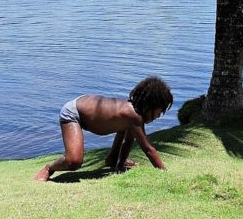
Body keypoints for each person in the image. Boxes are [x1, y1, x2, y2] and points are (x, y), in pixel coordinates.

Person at [35, 76, 173, 181]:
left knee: (124, 129)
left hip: (88, 109)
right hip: (74, 112)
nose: (159, 116)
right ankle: (49, 168)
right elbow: (148, 149)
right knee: (74, 161)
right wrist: (164, 173)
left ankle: (112, 160)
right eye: (159, 112)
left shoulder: (132, 117)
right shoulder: (133, 115)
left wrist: (120, 165)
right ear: (150, 104)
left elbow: (128, 142)